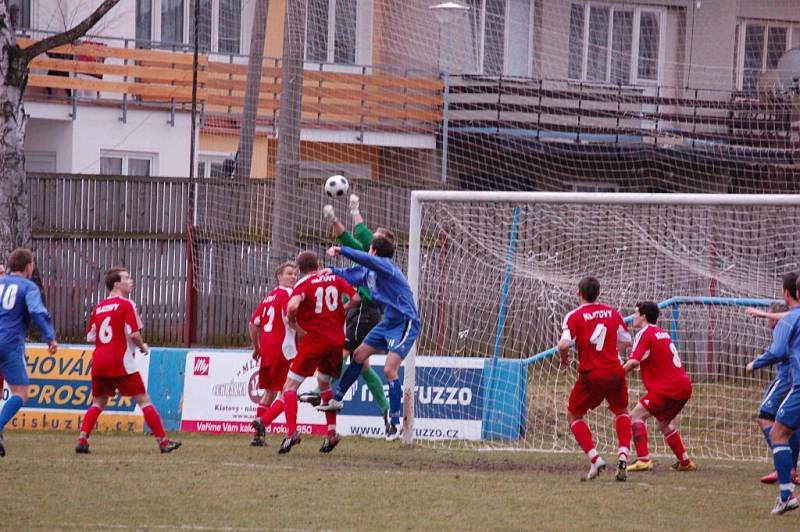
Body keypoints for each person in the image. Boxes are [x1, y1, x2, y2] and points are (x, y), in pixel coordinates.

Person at [300, 195, 391, 432]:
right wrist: (334, 220)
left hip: (364, 311)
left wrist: (353, 210)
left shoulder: (377, 258)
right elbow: (349, 236)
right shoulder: (367, 253)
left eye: (375, 237)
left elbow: (358, 234)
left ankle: (321, 392)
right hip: (363, 312)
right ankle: (387, 412)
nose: (369, 238)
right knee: (363, 365)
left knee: (342, 350)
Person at [253, 251, 359, 454]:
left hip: (314, 341)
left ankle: (291, 432)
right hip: (336, 341)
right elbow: (356, 298)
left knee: (290, 387)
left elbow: (292, 306)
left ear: (300, 270)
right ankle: (331, 433)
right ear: (319, 264)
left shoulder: (303, 285)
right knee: (324, 383)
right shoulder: (336, 279)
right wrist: (341, 309)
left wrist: (293, 321)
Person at [319, 236, 420, 442]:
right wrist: (333, 271)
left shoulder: (387, 267)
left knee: (389, 369)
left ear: (373, 251)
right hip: (387, 322)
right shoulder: (370, 272)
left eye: (369, 249)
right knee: (358, 355)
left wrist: (342, 250)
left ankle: (394, 422)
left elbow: (367, 262)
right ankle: (337, 399)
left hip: (404, 321)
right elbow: (352, 275)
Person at [75, 267, 180, 454]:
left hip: (99, 361)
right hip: (120, 361)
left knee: (98, 402)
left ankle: (82, 439)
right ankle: (163, 442)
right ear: (116, 283)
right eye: (127, 278)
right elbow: (134, 333)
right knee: (144, 400)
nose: (131, 281)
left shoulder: (99, 307)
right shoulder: (126, 304)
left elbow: (90, 337)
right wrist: (142, 347)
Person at [558, 276, 632, 481]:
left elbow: (564, 345)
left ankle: (595, 458)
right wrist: (610, 351)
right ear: (598, 293)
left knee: (574, 416)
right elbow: (627, 341)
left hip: (592, 375)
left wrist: (565, 360)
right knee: (622, 412)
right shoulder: (612, 312)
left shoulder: (574, 316)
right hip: (616, 371)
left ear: (578, 293)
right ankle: (624, 456)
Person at [745, 272, 800, 515]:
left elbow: (778, 351)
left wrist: (754, 364)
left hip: (793, 380)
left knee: (777, 431)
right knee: (785, 428)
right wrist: (766, 314)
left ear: (786, 293)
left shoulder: (789, 320)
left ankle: (787, 491)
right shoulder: (790, 317)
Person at [623, 301, 696, 473]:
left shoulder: (644, 333)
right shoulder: (662, 332)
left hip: (667, 387)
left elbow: (634, 361)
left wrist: (618, 374)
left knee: (634, 416)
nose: (633, 317)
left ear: (643, 316)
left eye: (635, 314)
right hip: (684, 385)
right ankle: (685, 462)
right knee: (663, 423)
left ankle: (643, 460)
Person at [0, 249, 57, 457]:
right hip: (9, 342)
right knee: (20, 393)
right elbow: (37, 311)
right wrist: (49, 336)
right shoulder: (28, 286)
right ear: (28, 267)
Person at [247, 261, 297, 446]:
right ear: (279, 277)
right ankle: (263, 423)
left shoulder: (268, 297)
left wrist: (257, 347)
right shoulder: (289, 294)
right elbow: (290, 316)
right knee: (287, 391)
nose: (293, 277)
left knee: (269, 392)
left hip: (267, 351)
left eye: (295, 274)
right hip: (285, 351)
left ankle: (257, 437)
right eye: (289, 273)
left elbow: (253, 323)